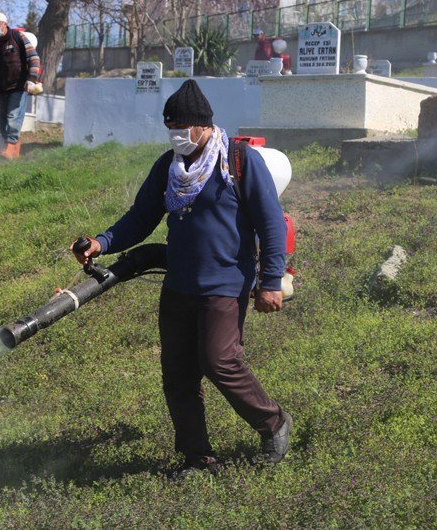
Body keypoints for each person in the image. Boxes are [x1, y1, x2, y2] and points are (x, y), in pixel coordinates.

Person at [74, 79, 292, 477]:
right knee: (177, 374)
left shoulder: (239, 161)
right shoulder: (168, 167)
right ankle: (199, 458)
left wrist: (271, 280)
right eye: (170, 128)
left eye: (182, 128)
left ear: (204, 125)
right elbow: (140, 218)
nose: (176, 136)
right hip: (178, 285)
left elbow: (271, 223)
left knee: (220, 360)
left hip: (225, 284)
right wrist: (101, 243)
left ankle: (273, 421)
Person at [0, 12, 42, 160]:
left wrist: (31, 79)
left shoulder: (18, 38)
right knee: (1, 120)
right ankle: (13, 149)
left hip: (18, 86)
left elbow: (34, 58)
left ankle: (10, 148)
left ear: (4, 23)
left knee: (13, 117)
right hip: (0, 87)